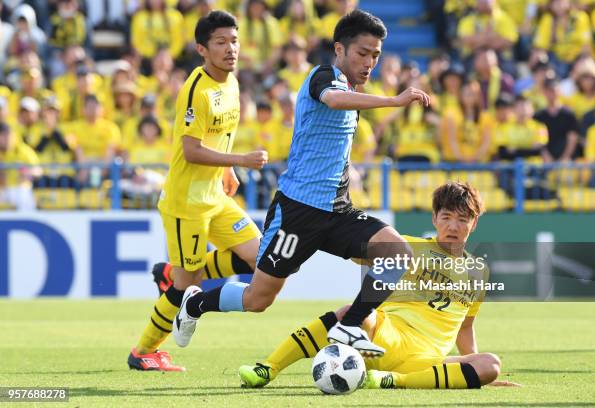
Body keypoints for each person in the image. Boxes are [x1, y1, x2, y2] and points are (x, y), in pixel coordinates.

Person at [172, 9, 431, 357]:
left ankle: (350, 325)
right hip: (297, 212)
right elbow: (334, 100)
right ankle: (196, 304)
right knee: (257, 299)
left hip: (337, 211)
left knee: (397, 253)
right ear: (339, 49)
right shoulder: (322, 77)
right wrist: (393, 101)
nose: (370, 62)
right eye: (362, 53)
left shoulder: (353, 89)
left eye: (376, 55)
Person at [239, 182, 519, 390]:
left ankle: (392, 381)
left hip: (427, 360)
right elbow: (349, 248)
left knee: (490, 365)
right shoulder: (406, 247)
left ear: (474, 223)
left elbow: (465, 327)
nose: (453, 226)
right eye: (446, 217)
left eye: (462, 219)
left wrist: (470, 370)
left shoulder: (478, 271)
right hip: (382, 338)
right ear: (434, 218)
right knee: (351, 313)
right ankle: (268, 367)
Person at [127, 10, 268, 372]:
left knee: (259, 256)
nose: (230, 49)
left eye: (234, 41)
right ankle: (144, 350)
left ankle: (173, 275)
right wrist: (241, 158)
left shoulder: (232, 83)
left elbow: (218, 135)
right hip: (185, 203)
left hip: (214, 197)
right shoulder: (196, 89)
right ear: (202, 49)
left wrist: (228, 168)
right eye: (221, 42)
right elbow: (191, 149)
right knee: (185, 287)